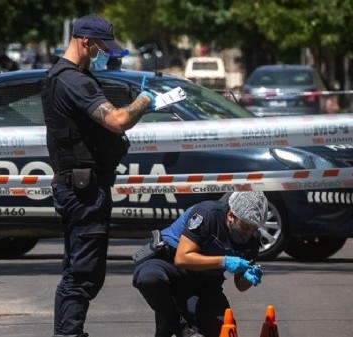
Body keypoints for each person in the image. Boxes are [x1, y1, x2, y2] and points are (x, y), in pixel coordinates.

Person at [41, 14, 156, 337]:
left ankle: (68, 333)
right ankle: (68, 334)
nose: (104, 53)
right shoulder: (73, 80)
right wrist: (144, 103)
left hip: (80, 187)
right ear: (85, 42)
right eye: (101, 47)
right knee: (82, 273)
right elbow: (117, 120)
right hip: (82, 191)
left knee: (80, 271)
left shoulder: (62, 76)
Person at [133, 191, 268, 337]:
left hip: (204, 283)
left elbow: (240, 285)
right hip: (172, 267)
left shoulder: (252, 239)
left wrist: (248, 278)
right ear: (231, 215)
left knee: (223, 330)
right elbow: (182, 258)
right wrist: (224, 261)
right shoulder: (207, 214)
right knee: (148, 277)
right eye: (245, 227)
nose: (249, 233)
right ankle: (179, 326)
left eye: (254, 228)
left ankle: (171, 322)